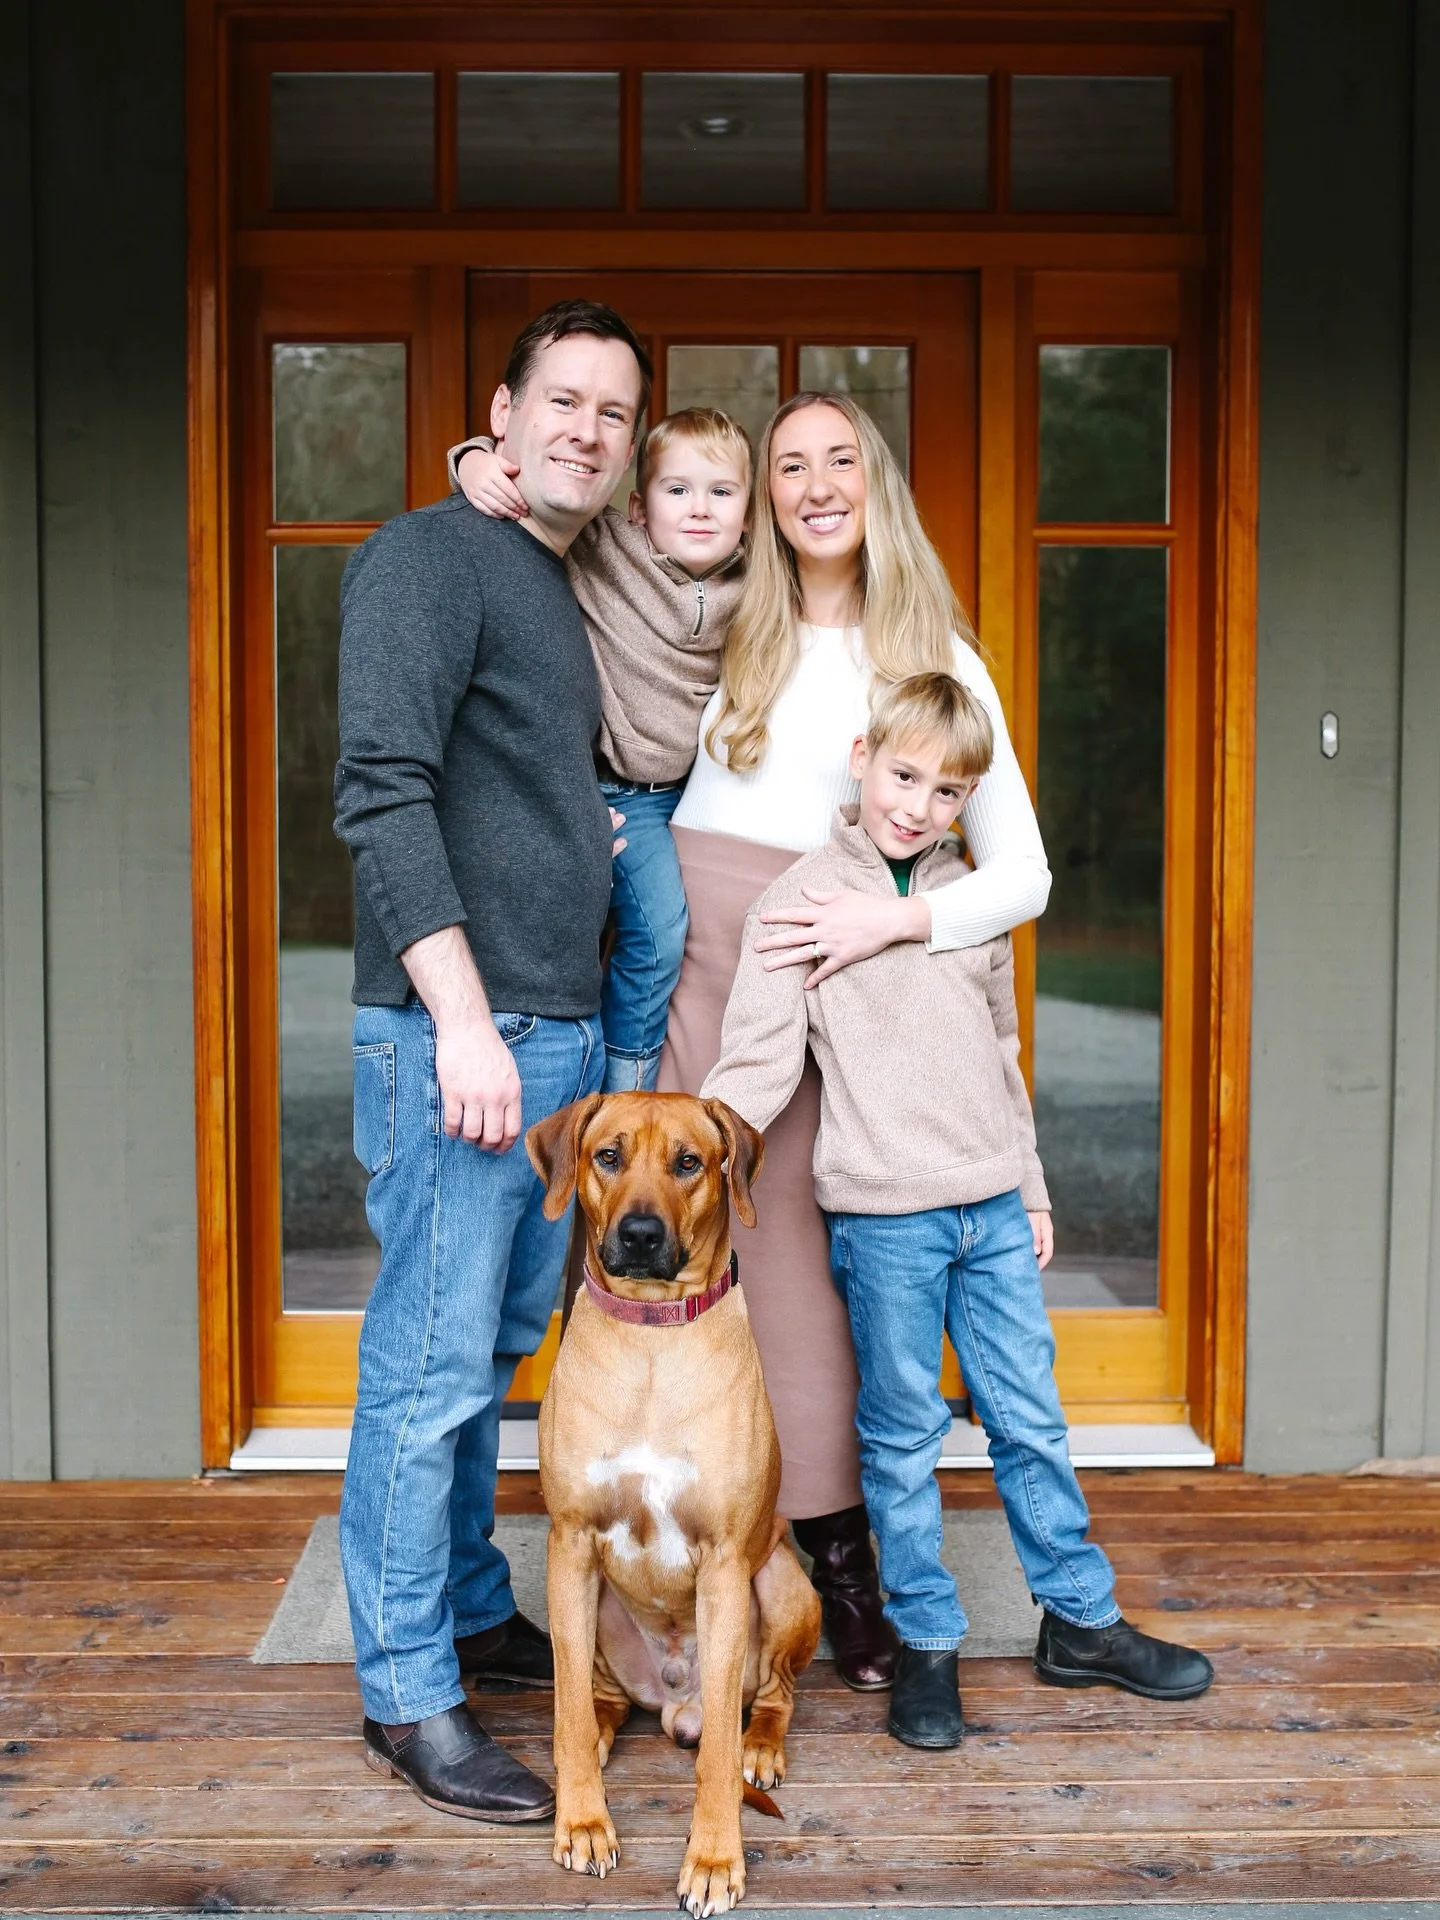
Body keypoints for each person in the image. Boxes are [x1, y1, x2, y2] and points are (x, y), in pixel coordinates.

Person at [701, 672, 1214, 1750]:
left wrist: (1028, 1184)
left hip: (988, 1207)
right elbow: (754, 1065)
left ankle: (1079, 1619)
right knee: (899, 1436)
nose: (920, 804)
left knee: (1030, 1419)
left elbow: (1001, 1055)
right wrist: (682, 1151)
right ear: (861, 757)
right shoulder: (796, 907)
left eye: (948, 792)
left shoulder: (967, 902)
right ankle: (926, 1642)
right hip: (887, 1219)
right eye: (903, 775)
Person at [658, 391, 1052, 1692]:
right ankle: (693, 1549)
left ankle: (840, 1551)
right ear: (765, 495)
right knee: (709, 1255)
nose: (816, 483)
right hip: (714, 969)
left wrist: (891, 927)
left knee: (830, 1280)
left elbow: (1023, 876)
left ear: (875, 482)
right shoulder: (721, 623)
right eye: (789, 465)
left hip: (857, 980)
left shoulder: (933, 647)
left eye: (842, 458)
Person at [333, 299, 648, 1822]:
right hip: (472, 1037)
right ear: (503, 416)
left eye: (615, 415)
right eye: (566, 402)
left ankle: (464, 1602)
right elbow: (381, 792)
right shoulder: (427, 558)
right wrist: (459, 1016)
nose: (590, 431)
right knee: (428, 1368)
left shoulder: (542, 574)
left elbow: (492, 776)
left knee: (492, 1356)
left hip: (557, 1041)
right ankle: (406, 1696)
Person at [449, 408, 750, 1090]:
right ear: (640, 507)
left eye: (722, 492)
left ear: (747, 511)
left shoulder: (756, 582)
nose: (700, 508)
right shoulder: (608, 545)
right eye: (678, 491)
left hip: (699, 796)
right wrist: (471, 460)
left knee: (720, 944)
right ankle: (629, 1086)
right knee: (658, 933)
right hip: (621, 792)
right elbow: (530, 488)